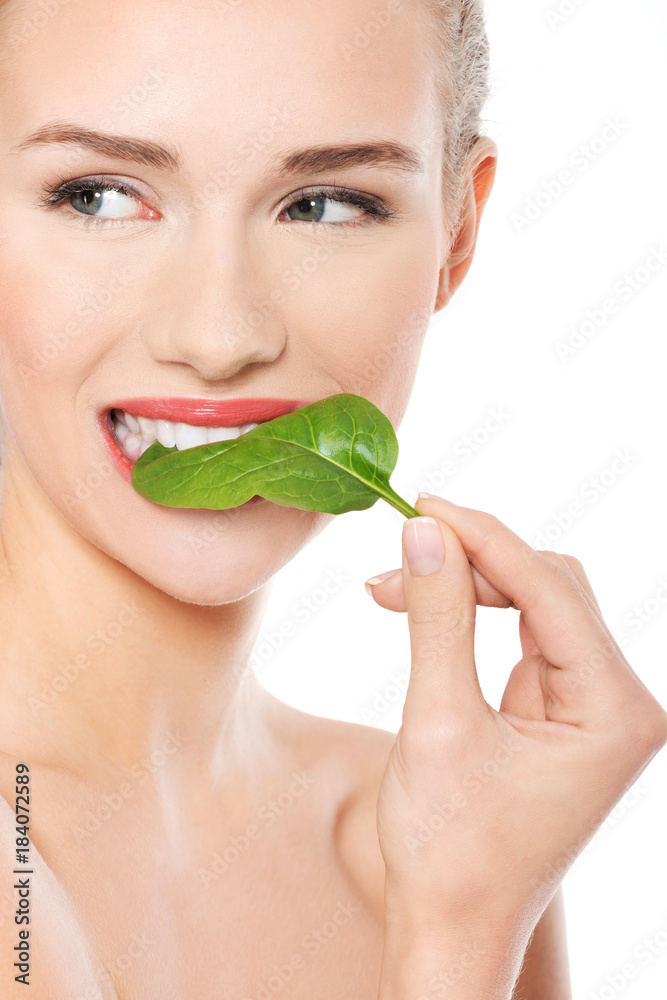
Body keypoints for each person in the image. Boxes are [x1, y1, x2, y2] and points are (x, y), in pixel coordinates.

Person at [1, 0, 665, 997]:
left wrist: (474, 907)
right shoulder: (460, 874)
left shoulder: (452, 833)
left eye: (324, 204)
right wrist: (455, 940)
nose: (220, 335)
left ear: (458, 231)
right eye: (98, 195)